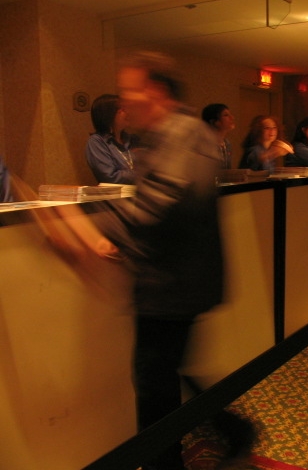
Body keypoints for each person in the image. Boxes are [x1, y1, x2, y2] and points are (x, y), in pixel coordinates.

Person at [96, 51, 253, 469]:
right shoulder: (174, 134)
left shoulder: (182, 134)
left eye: (129, 90)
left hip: (172, 285)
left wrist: (105, 233)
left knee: (154, 384)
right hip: (175, 283)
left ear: (155, 90)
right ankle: (232, 429)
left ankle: (174, 458)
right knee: (170, 373)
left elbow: (157, 204)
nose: (124, 102)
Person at [85, 93, 138, 184]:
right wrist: (140, 173)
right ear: (108, 114)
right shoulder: (97, 142)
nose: (127, 112)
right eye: (122, 109)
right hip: (117, 193)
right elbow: (110, 177)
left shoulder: (132, 139)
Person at [202, 103, 235, 170]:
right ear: (214, 121)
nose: (232, 118)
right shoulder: (205, 144)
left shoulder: (227, 144)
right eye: (226, 115)